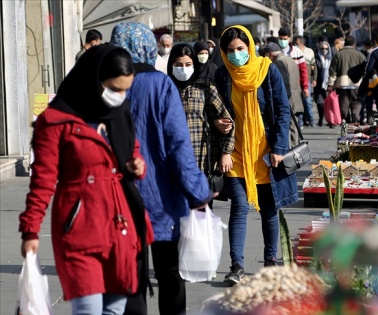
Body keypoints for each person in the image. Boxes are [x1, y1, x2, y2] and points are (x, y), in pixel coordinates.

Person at [20, 45, 148, 314]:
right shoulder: (55, 121)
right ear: (94, 79)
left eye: (126, 90)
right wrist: (31, 229)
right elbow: (42, 180)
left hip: (120, 227)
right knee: (88, 309)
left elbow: (130, 148)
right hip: (80, 229)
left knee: (114, 310)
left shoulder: (119, 111)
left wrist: (137, 165)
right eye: (114, 89)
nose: (120, 96)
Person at [111, 22, 214, 315]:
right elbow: (178, 144)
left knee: (131, 281)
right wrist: (198, 192)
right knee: (170, 274)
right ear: (148, 47)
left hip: (121, 200)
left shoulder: (106, 88)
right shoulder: (160, 84)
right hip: (163, 198)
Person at [213, 25, 298, 286]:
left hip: (265, 152)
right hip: (235, 153)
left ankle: (270, 262)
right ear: (224, 53)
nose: (237, 54)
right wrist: (218, 125)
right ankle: (236, 266)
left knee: (269, 210)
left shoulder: (267, 70)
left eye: (241, 49)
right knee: (239, 207)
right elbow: (214, 112)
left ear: (249, 47)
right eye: (231, 51)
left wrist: (279, 149)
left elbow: (283, 111)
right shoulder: (222, 75)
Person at [167, 42, 234, 196]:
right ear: (171, 65)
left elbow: (226, 121)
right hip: (173, 161)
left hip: (202, 163)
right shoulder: (165, 87)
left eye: (188, 64)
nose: (183, 69)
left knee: (202, 215)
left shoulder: (204, 86)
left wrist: (226, 152)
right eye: (178, 64)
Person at [262, 42, 304, 148]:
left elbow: (284, 85)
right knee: (294, 129)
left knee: (288, 129)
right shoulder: (290, 60)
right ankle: (296, 153)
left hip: (289, 100)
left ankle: (292, 156)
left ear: (270, 54)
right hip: (296, 97)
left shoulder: (278, 63)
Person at [328, 36, 366, 123]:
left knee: (343, 103)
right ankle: (355, 115)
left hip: (342, 83)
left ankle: (346, 120)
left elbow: (333, 71)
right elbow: (365, 70)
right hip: (357, 84)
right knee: (356, 101)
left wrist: (330, 84)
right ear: (354, 44)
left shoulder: (338, 55)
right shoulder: (360, 55)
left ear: (344, 44)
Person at [277, 27, 309, 127]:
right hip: (279, 86)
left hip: (294, 86)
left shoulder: (296, 52)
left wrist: (305, 87)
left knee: (294, 112)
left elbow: (303, 71)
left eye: (285, 39)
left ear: (289, 39)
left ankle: (296, 135)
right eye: (281, 39)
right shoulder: (276, 51)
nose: (282, 41)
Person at [294, 35, 317, 127]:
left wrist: (314, 78)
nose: (295, 45)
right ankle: (300, 122)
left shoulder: (309, 52)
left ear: (302, 43)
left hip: (307, 80)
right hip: (295, 80)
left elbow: (313, 66)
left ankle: (311, 119)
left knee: (307, 101)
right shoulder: (293, 52)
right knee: (298, 102)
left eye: (297, 43)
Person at [314, 41, 332, 127]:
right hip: (319, 84)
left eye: (326, 49)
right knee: (320, 103)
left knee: (330, 103)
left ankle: (330, 120)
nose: (324, 50)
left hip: (329, 84)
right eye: (322, 48)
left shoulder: (331, 58)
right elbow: (314, 71)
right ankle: (321, 118)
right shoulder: (316, 58)